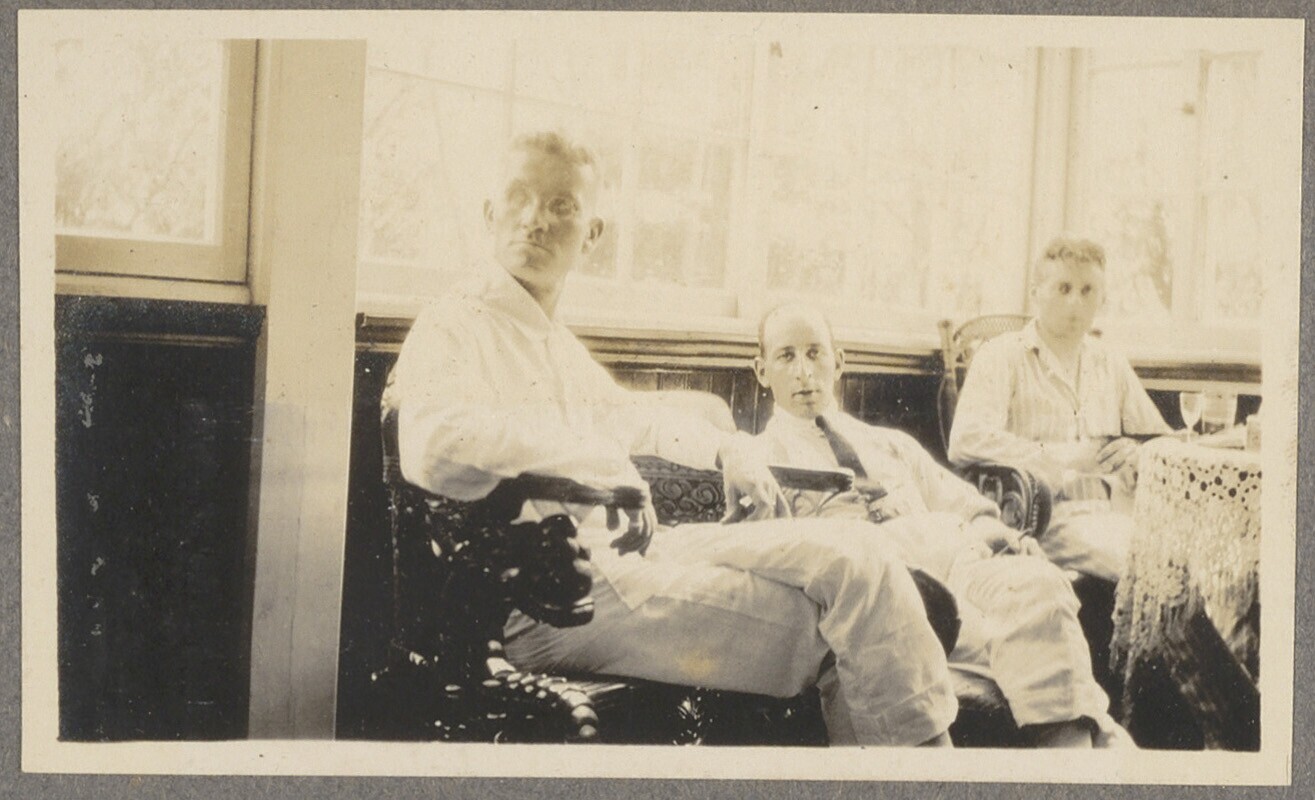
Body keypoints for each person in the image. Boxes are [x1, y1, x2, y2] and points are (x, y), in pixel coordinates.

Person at [391, 130, 958, 747]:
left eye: (561, 205)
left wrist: (729, 449)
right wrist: (594, 460)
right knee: (853, 626)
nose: (535, 220)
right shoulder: (456, 322)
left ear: (591, 233)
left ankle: (920, 772)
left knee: (859, 555)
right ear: (489, 212)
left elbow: (632, 415)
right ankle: (926, 778)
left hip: (627, 561)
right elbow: (430, 444)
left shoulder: (550, 338)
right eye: (519, 197)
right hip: (550, 599)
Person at [748, 302, 1130, 748]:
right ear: (762, 371)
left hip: (956, 562)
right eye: (786, 356)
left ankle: (1068, 765)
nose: (804, 372)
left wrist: (998, 531)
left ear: (839, 362)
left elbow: (963, 502)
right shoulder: (758, 460)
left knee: (1037, 585)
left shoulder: (890, 444)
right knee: (983, 634)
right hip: (887, 588)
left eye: (815, 353)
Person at [947, 237, 1171, 582]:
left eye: (1088, 291)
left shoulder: (1109, 362)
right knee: (1150, 564)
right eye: (1063, 288)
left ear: (1102, 298)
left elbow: (1161, 438)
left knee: (1185, 557)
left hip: (1116, 513)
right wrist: (1066, 457)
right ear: (1035, 293)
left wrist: (1137, 449)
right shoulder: (1002, 356)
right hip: (1042, 519)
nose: (1075, 303)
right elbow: (965, 439)